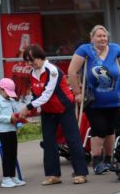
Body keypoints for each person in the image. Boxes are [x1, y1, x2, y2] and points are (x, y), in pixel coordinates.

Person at [67, 25, 120, 175]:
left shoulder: (116, 49)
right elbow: (72, 71)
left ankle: (109, 159)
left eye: (104, 36)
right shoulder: (85, 50)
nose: (102, 39)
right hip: (93, 101)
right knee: (99, 129)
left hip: (115, 99)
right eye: (98, 36)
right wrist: (77, 93)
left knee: (111, 129)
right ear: (92, 38)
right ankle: (97, 161)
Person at [16, 44, 89, 185]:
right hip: (48, 111)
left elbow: (47, 94)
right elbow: (35, 95)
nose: (31, 63)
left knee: (73, 140)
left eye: (33, 59)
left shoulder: (53, 70)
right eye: (28, 61)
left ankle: (81, 173)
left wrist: (28, 107)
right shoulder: (32, 73)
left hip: (64, 108)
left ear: (41, 57)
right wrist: (29, 111)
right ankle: (53, 175)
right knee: (49, 142)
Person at [0, 78, 26, 188]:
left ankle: (12, 176)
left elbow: (16, 113)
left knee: (13, 153)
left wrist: (19, 121)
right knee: (6, 154)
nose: (8, 95)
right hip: (2, 132)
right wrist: (9, 118)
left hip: (12, 130)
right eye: (7, 92)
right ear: (1, 89)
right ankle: (6, 178)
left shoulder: (11, 101)